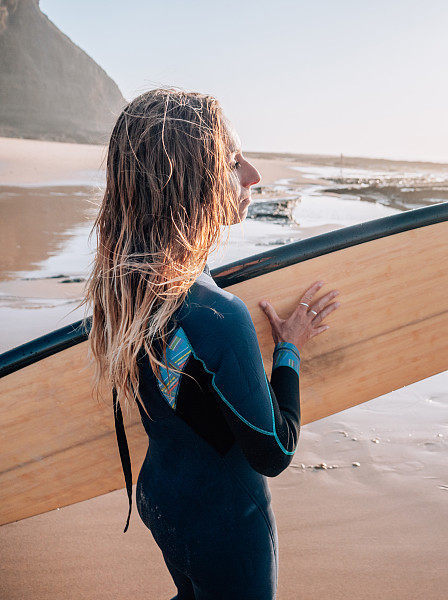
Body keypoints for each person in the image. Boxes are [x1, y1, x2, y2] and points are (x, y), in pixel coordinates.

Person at [83, 88, 339, 599]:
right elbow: (273, 450)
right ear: (191, 179)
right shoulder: (220, 316)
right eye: (232, 161)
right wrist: (288, 351)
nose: (253, 176)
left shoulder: (127, 287)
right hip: (227, 521)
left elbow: (182, 387)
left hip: (163, 498)